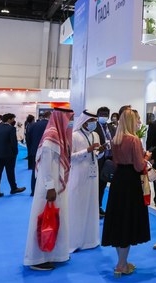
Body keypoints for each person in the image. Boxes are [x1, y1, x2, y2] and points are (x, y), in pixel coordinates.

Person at [101, 109, 152, 277]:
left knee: (118, 220)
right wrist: (146, 158)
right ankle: (121, 264)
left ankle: (121, 262)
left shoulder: (115, 139)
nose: (139, 122)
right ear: (131, 121)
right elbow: (138, 165)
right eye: (137, 119)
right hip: (131, 182)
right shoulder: (134, 140)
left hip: (118, 181)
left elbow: (116, 161)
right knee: (128, 222)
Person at [23, 107, 74, 271]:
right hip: (48, 189)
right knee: (42, 220)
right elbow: (45, 167)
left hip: (57, 187)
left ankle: (55, 254)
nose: (70, 122)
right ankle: (36, 259)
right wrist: (50, 188)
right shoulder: (50, 139)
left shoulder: (60, 136)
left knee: (56, 219)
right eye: (68, 118)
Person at [68, 110, 103, 252]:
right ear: (84, 121)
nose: (94, 123)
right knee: (78, 204)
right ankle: (75, 241)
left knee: (91, 205)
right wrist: (87, 150)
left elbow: (96, 155)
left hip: (93, 174)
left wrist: (100, 151)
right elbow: (70, 157)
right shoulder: (74, 136)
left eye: (95, 121)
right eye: (91, 121)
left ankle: (91, 240)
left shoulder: (95, 135)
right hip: (78, 174)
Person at [0, 113, 26, 198]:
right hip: (9, 154)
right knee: (10, 172)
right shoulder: (11, 128)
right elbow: (13, 142)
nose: (14, 120)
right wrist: (15, 152)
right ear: (9, 119)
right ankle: (13, 188)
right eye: (13, 119)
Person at [95, 106, 115, 216]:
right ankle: (94, 207)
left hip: (109, 159)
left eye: (106, 115)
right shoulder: (94, 127)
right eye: (101, 114)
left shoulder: (111, 127)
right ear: (98, 115)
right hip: (98, 159)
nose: (104, 116)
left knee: (103, 184)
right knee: (96, 185)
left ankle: (99, 206)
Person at [25, 111, 50, 195]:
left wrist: (31, 149)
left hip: (34, 151)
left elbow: (28, 138)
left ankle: (33, 191)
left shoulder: (33, 125)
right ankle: (46, 191)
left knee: (35, 171)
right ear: (50, 116)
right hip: (47, 151)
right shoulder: (50, 125)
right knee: (48, 171)